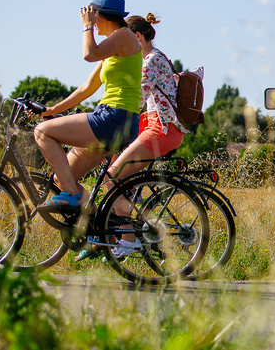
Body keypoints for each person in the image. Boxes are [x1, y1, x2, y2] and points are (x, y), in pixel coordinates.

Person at [75, 13, 197, 260]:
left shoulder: (151, 62)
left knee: (113, 177)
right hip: (157, 129)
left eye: (129, 39)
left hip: (161, 131)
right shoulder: (158, 58)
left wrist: (102, 120)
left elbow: (134, 100)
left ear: (137, 36)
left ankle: (129, 240)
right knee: (118, 176)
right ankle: (120, 234)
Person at [34, 0, 142, 210]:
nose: (90, 19)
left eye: (93, 15)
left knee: (42, 132)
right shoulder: (113, 49)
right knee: (64, 176)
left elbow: (88, 53)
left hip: (114, 117)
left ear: (101, 15)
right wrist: (51, 109)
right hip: (114, 120)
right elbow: (86, 89)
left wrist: (86, 27)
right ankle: (98, 237)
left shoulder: (124, 36)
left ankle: (70, 196)